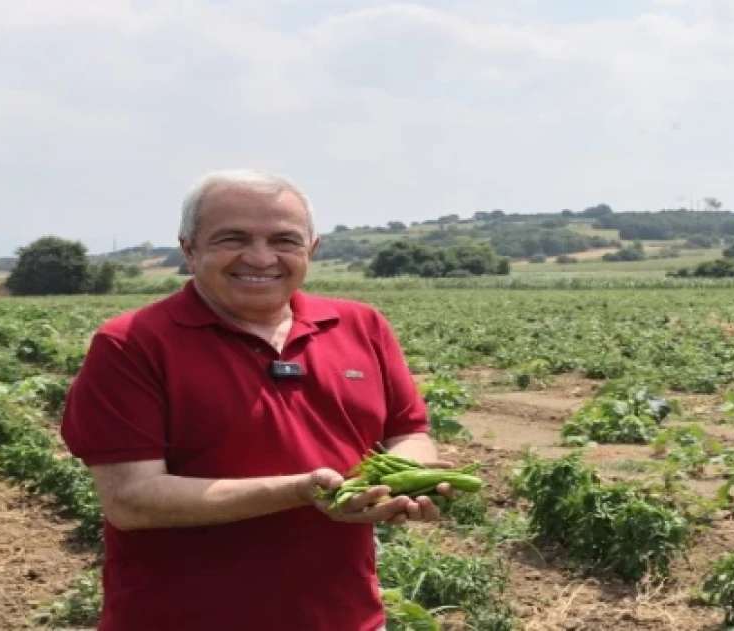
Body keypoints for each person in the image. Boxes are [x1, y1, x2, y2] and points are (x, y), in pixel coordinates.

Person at [60, 169, 451, 631]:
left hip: (345, 618)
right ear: (189, 248)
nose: (261, 257)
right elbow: (131, 500)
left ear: (312, 248)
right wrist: (304, 490)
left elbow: (409, 431)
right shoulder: (132, 344)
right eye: (233, 238)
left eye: (284, 240)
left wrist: (404, 483)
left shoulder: (362, 326)